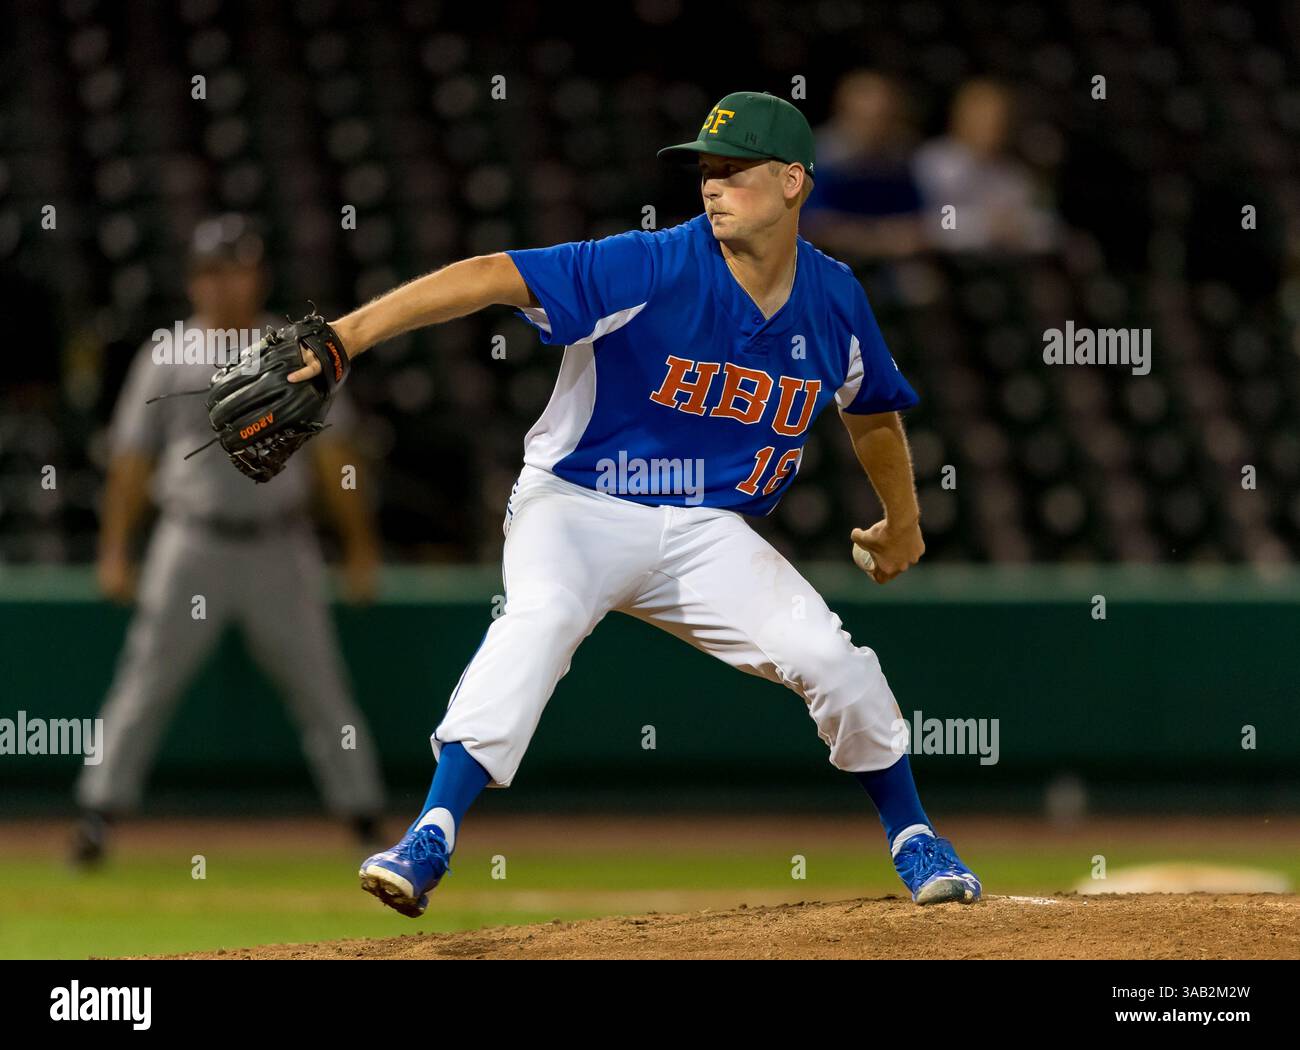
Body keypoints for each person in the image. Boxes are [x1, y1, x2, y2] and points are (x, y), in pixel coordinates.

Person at [291, 91, 982, 915]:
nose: (712, 186)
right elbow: (487, 277)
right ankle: (431, 831)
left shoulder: (834, 299)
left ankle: (913, 837)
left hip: (703, 529)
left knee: (832, 661)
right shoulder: (651, 264)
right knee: (540, 618)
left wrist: (904, 521)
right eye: (705, 171)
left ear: (794, 181)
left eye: (734, 170)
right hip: (575, 504)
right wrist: (346, 337)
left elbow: (869, 408)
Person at [72, 215, 386, 865]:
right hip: (191, 544)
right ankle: (96, 817)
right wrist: (113, 551)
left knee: (323, 688)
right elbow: (131, 461)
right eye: (214, 270)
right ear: (194, 281)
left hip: (282, 544)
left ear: (258, 274)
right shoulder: (166, 354)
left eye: (238, 268)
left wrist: (359, 548)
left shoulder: (298, 348)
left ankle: (364, 818)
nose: (226, 284)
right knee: (146, 683)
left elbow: (337, 459)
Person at [913, 78, 1058, 253]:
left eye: (1000, 118)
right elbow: (933, 224)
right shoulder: (933, 163)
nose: (992, 126)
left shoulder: (1015, 173)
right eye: (983, 117)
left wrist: (1019, 227)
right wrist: (986, 226)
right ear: (960, 116)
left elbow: (1045, 227)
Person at [800, 71, 926, 261]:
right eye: (867, 118)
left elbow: (916, 219)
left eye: (884, 118)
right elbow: (814, 224)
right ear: (843, 112)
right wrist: (875, 241)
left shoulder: (899, 159)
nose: (876, 128)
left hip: (894, 261)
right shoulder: (818, 159)